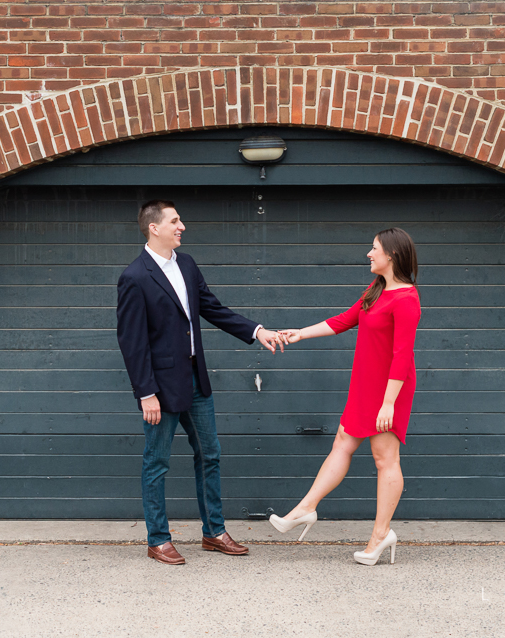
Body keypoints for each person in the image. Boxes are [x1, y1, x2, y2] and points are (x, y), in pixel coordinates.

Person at [117, 199, 284, 565]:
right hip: (160, 387)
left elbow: (212, 308)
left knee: (210, 455)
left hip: (196, 379)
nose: (183, 226)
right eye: (175, 221)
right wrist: (146, 393)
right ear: (154, 228)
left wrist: (257, 331)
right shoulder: (135, 277)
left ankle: (214, 532)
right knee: (156, 462)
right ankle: (158, 539)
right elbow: (132, 342)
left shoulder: (187, 265)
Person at [270, 227, 421, 566]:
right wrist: (299, 334)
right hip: (365, 383)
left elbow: (402, 355)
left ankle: (381, 535)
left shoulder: (407, 299)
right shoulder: (377, 289)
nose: (369, 254)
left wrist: (388, 403)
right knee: (342, 442)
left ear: (392, 255)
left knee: (385, 458)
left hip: (389, 389)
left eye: (374, 248)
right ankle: (306, 508)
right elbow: (344, 320)